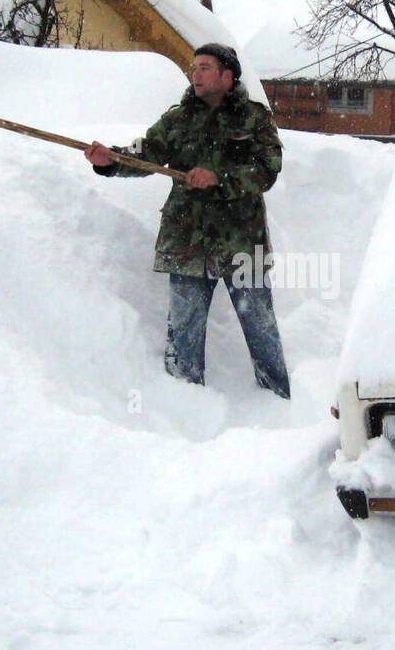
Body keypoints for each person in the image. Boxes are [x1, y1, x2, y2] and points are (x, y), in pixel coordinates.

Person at [84, 44, 291, 399]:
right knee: (184, 333)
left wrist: (220, 178)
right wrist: (109, 160)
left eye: (205, 67)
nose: (195, 74)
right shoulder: (179, 120)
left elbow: (267, 170)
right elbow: (145, 153)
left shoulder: (253, 119)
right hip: (187, 240)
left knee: (260, 327)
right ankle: (187, 406)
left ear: (228, 76)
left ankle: (278, 402)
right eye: (194, 67)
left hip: (241, 241)